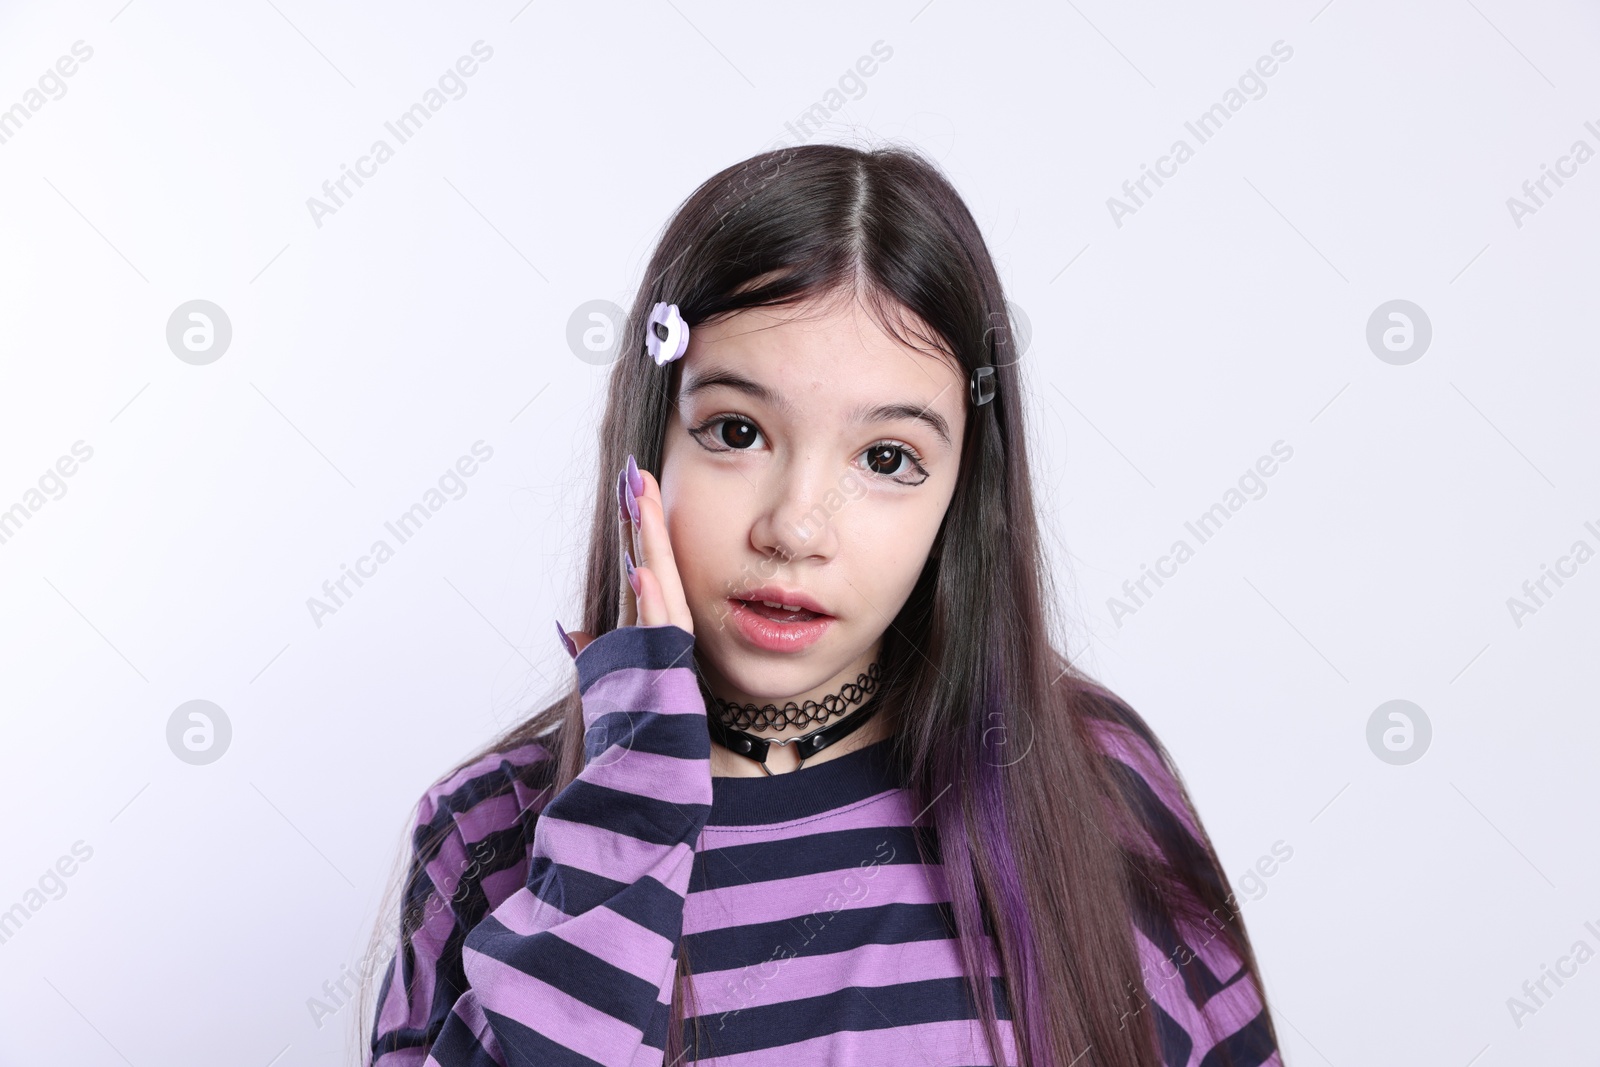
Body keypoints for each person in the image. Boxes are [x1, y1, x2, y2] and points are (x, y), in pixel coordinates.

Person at [362, 143, 1283, 1067]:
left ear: (961, 495)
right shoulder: (488, 832)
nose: (798, 527)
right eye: (736, 431)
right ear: (648, 447)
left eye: (886, 459)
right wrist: (632, 801)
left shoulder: (1088, 783)